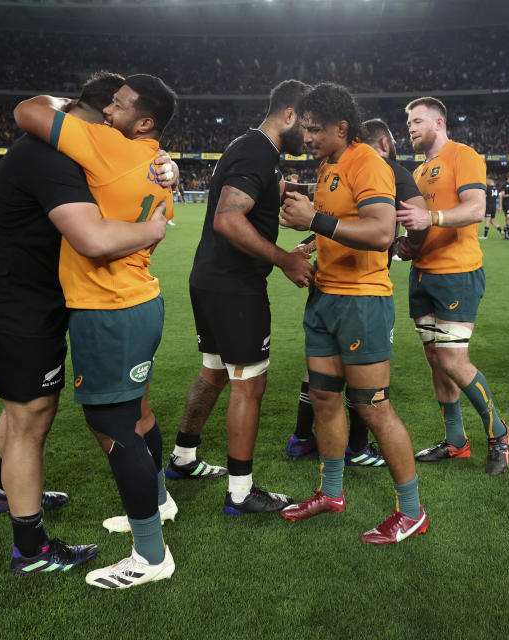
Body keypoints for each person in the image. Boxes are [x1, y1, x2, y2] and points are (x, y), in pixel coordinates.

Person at [0, 71, 169, 576]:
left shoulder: (66, 152)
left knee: (22, 414)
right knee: (30, 418)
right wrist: (154, 225)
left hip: (29, 302)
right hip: (16, 308)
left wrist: (161, 172)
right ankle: (30, 549)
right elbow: (94, 239)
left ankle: (8, 490)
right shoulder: (52, 157)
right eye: (113, 112)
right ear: (101, 118)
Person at [14, 73, 182, 587]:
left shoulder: (108, 145)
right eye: (108, 102)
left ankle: (150, 556)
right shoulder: (157, 169)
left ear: (144, 121)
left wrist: (66, 102)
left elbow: (27, 110)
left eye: (119, 104)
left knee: (113, 429)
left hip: (105, 311)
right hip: (139, 304)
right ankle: (159, 502)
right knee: (137, 415)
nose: (108, 110)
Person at [279, 83, 427, 544]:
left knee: (372, 406)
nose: (306, 137)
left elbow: (382, 232)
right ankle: (331, 491)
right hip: (324, 298)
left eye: (315, 129)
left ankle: (412, 511)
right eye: (303, 128)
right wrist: (306, 247)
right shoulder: (328, 166)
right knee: (324, 398)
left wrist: (315, 222)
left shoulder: (368, 163)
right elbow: (338, 229)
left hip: (362, 301)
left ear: (342, 127)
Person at [166, 80, 312, 517]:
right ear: (288, 115)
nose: (309, 137)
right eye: (307, 125)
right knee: (250, 383)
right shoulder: (257, 152)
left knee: (213, 372)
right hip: (235, 287)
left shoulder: (250, 147)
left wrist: (282, 196)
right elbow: (230, 219)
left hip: (210, 278)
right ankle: (240, 493)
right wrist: (285, 260)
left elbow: (246, 206)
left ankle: (183, 458)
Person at [396, 96, 509, 475]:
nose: (410, 127)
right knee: (435, 360)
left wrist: (431, 216)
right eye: (408, 122)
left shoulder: (464, 155)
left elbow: (475, 209)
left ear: (439, 123)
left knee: (452, 359)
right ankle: (456, 441)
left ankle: (499, 434)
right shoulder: (419, 170)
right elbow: (419, 224)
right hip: (423, 274)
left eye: (416, 121)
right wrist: (408, 244)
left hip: (457, 273)